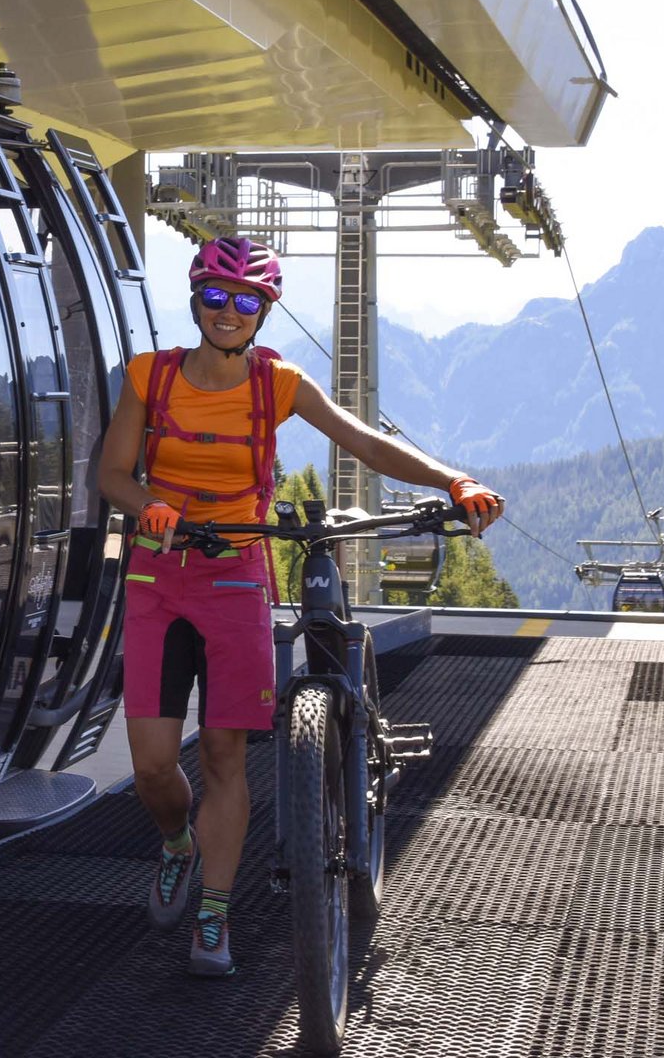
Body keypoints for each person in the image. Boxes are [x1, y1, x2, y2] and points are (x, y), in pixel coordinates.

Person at [95, 236, 504, 976]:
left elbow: (367, 444)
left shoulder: (276, 385)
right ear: (196, 301)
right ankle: (178, 845)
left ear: (264, 313)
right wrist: (150, 504)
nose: (228, 312)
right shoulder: (149, 379)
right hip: (160, 581)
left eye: (245, 301)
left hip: (237, 580)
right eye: (215, 297)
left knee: (223, 753)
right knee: (155, 767)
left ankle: (213, 917)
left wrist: (455, 481)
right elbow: (112, 474)